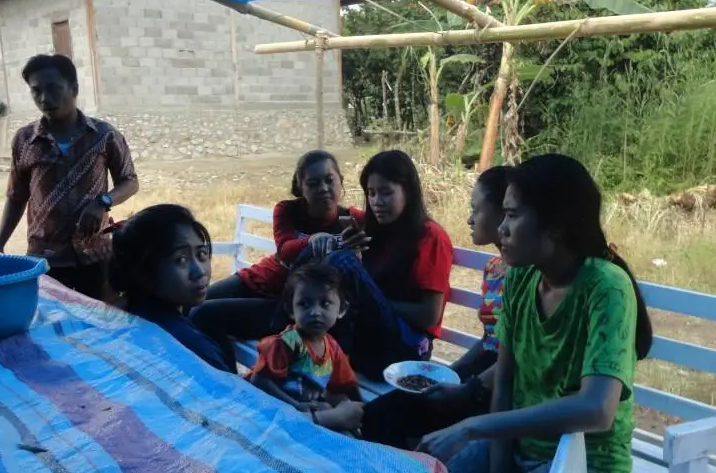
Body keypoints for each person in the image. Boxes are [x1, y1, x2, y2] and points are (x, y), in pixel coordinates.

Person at [399, 154, 654, 473]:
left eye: (513, 215)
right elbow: (507, 379)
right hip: (520, 446)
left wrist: (475, 427)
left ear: (556, 226)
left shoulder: (606, 288)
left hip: (584, 468)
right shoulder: (520, 278)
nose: (502, 227)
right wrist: (497, 470)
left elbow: (597, 409)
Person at [361, 166, 510, 449]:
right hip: (479, 374)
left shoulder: (529, 277)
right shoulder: (494, 269)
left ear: (505, 211)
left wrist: (467, 388)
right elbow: (489, 340)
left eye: (476, 210)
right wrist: (449, 374)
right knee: (375, 415)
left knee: (385, 419)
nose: (469, 219)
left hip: (499, 386)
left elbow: (509, 358)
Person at [0, 54, 138, 300]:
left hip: (95, 255)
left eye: (53, 89)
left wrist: (103, 202)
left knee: (101, 317)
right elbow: (16, 197)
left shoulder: (104, 135)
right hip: (45, 257)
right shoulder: (25, 140)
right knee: (49, 319)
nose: (44, 98)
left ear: (74, 89)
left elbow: (130, 181)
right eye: (36, 91)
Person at [191, 150, 368, 341]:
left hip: (289, 305)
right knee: (189, 303)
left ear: (341, 180)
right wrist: (311, 241)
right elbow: (285, 250)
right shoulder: (288, 210)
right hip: (259, 280)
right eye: (313, 183)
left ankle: (223, 362)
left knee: (202, 314)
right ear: (300, 187)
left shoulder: (354, 220)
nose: (323, 188)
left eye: (329, 180)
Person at [325, 149, 454, 380]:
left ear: (408, 192)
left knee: (340, 261)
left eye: (386, 192)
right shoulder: (377, 231)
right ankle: (296, 345)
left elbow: (429, 315)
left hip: (406, 349)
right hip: (370, 341)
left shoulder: (430, 236)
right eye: (371, 193)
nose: (377, 202)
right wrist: (352, 252)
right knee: (322, 255)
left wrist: (370, 297)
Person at [109, 204, 236, 374]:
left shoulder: (123, 314)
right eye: (181, 260)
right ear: (144, 271)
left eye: (202, 254)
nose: (199, 272)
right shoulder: (195, 349)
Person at [249, 263, 366, 434]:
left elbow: (342, 387)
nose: (315, 312)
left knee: (331, 412)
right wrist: (295, 406)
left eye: (325, 303)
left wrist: (359, 414)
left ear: (341, 309)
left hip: (305, 409)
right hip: (271, 406)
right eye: (304, 304)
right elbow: (259, 381)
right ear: (291, 310)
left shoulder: (332, 348)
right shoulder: (289, 342)